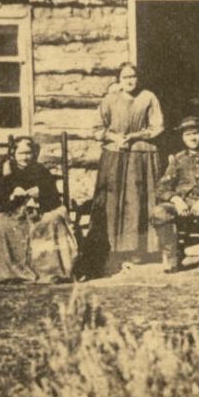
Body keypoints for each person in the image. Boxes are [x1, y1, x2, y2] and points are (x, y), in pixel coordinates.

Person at [86, 63, 165, 275]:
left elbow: (157, 126)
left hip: (140, 155)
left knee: (137, 200)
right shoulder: (110, 100)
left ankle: (139, 249)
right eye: (125, 77)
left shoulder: (148, 97)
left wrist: (135, 136)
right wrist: (115, 137)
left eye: (133, 77)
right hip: (115, 155)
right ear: (119, 80)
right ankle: (113, 249)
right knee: (114, 202)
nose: (130, 81)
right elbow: (97, 128)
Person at [0, 137, 77, 283]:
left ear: (34, 154)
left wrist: (40, 194)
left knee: (54, 221)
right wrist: (12, 196)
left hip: (38, 212)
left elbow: (54, 198)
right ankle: (8, 272)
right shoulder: (6, 172)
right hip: (12, 212)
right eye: (21, 153)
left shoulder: (40, 170)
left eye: (29, 153)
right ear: (13, 154)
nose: (25, 157)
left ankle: (48, 270)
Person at [151, 116, 199, 274]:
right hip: (182, 205)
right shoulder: (178, 159)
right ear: (182, 138)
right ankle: (173, 257)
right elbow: (161, 187)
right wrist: (176, 199)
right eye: (187, 135)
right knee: (159, 212)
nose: (193, 138)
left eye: (196, 133)